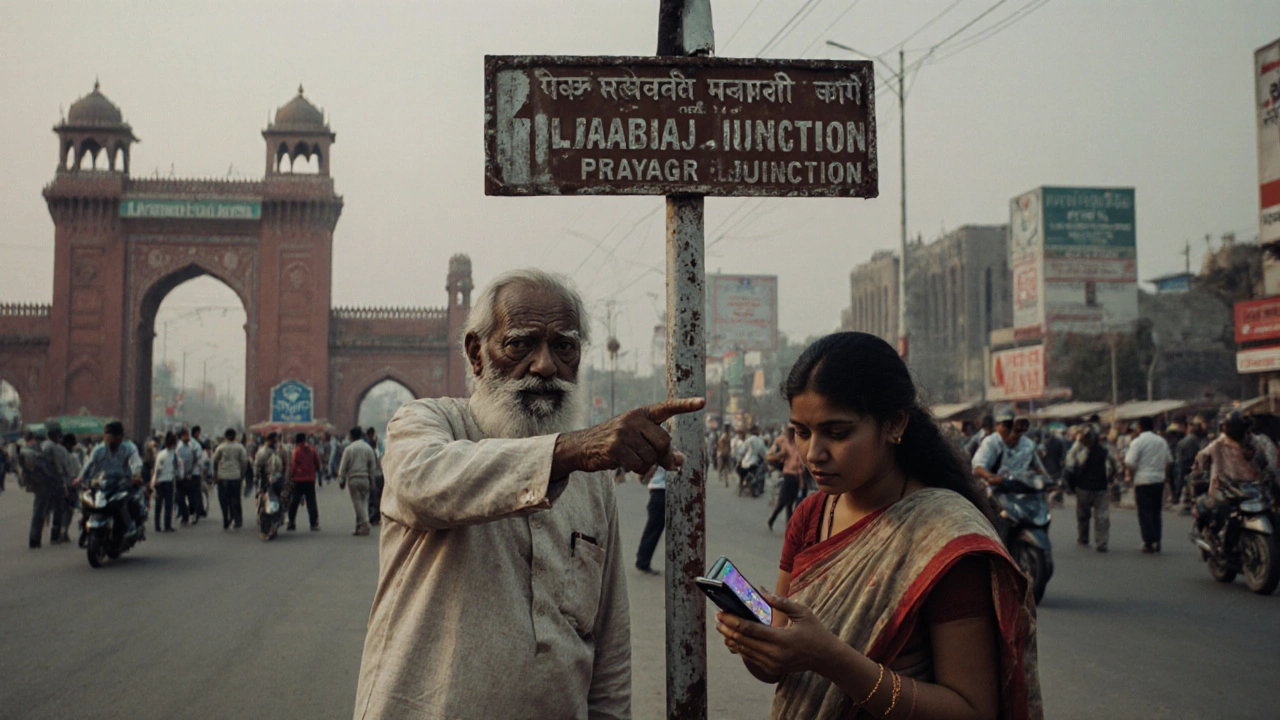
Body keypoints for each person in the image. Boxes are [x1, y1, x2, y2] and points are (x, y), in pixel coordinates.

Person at [354, 268, 703, 719]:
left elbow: (609, 644)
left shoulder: (591, 476)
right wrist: (570, 451)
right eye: (521, 344)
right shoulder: (428, 424)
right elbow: (422, 484)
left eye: (564, 346)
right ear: (477, 354)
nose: (545, 366)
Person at [713, 332, 1040, 719]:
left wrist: (831, 658)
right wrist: (755, 643)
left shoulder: (945, 542)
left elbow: (972, 710)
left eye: (837, 433)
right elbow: (780, 664)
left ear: (894, 423)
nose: (813, 453)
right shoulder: (812, 516)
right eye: (801, 432)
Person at [1192, 412, 1270, 536]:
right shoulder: (1218, 443)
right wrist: (1200, 472)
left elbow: (1264, 461)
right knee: (1222, 514)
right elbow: (1201, 458)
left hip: (1252, 488)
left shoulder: (1253, 442)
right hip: (1225, 488)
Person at [75, 420, 145, 541]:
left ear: (120, 436)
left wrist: (136, 475)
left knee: (129, 500)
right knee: (86, 501)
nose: (109, 438)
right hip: (102, 483)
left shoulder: (129, 448)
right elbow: (89, 466)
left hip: (122, 482)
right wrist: (80, 478)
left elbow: (136, 462)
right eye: (107, 435)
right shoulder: (98, 450)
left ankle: (130, 527)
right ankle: (83, 525)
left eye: (112, 435)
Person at [1063, 426, 1118, 552]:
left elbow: (1070, 461)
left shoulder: (1091, 453)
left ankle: (1091, 540)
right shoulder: (1097, 452)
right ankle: (1097, 541)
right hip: (1094, 488)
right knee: (1098, 516)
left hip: (1089, 488)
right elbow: (1114, 466)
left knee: (1088, 516)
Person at [1124, 416, 1172, 553]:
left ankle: (1149, 541)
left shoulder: (1138, 442)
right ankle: (1157, 540)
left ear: (1139, 427)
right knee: (1156, 512)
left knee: (1145, 512)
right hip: (1159, 480)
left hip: (1143, 480)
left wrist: (1129, 476)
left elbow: (1130, 462)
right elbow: (1169, 460)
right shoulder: (1162, 441)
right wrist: (1165, 476)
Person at [28, 425, 76, 548]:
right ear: (53, 435)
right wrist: (66, 482)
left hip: (40, 483)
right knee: (58, 510)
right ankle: (55, 535)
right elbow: (62, 467)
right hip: (54, 483)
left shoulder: (39, 446)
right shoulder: (55, 448)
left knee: (38, 511)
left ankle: (34, 538)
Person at [972, 411, 1047, 485]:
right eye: (1007, 425)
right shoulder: (991, 442)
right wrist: (991, 477)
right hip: (996, 489)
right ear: (997, 426)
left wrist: (1047, 480)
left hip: (1021, 488)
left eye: (1013, 424)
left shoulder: (1028, 444)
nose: (1010, 428)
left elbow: (1039, 468)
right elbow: (978, 468)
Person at [338, 426, 377, 536]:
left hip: (354, 478)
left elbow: (343, 466)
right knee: (364, 503)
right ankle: (360, 527)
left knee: (357, 503)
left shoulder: (349, 449)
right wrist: (372, 481)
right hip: (365, 478)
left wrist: (341, 480)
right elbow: (372, 466)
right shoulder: (368, 448)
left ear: (351, 436)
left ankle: (365, 523)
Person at [211, 428, 250, 530]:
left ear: (225, 436)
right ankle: (235, 519)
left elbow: (215, 461)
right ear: (235, 436)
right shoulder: (240, 447)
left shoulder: (220, 447)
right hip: (235, 477)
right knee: (235, 499)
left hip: (222, 477)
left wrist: (215, 474)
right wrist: (242, 474)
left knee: (224, 500)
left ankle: (225, 519)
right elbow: (244, 462)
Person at [766, 429, 804, 531]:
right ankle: (777, 522)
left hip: (795, 477)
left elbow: (800, 468)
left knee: (789, 503)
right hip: (788, 475)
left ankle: (786, 526)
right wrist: (773, 456)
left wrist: (801, 483)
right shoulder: (785, 445)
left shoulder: (798, 448)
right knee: (783, 502)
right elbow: (780, 455)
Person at [634, 464, 667, 576]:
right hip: (661, 489)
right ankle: (642, 561)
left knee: (653, 529)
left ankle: (642, 559)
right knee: (653, 529)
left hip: (659, 489)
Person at [288, 432, 322, 531]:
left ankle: (291, 522)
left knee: (294, 502)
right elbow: (318, 463)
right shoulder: (312, 449)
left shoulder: (296, 451)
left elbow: (293, 466)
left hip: (298, 479)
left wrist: (291, 476)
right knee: (311, 502)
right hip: (310, 479)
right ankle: (314, 524)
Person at [1175, 418, 1209, 513]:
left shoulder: (1185, 441)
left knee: (1184, 482)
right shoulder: (1200, 441)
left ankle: (1182, 500)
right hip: (1195, 465)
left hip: (1186, 464)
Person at [151, 432, 182, 532]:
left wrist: (155, 481)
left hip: (160, 481)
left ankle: (157, 526)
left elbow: (157, 469)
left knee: (158, 505)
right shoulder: (173, 455)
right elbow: (177, 467)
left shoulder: (161, 454)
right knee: (168, 505)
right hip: (168, 481)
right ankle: (167, 525)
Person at [174, 427, 201, 526]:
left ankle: (192, 513)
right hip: (180, 477)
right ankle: (185, 515)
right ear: (182, 436)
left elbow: (195, 459)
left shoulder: (191, 447)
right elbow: (177, 462)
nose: (189, 437)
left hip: (189, 475)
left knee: (192, 496)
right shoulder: (179, 448)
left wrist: (191, 470)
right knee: (180, 497)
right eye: (187, 435)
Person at [365, 427, 383, 525]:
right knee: (375, 497)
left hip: (376, 474)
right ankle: (374, 516)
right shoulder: (377, 447)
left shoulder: (372, 448)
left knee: (374, 497)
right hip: (378, 474)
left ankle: (373, 516)